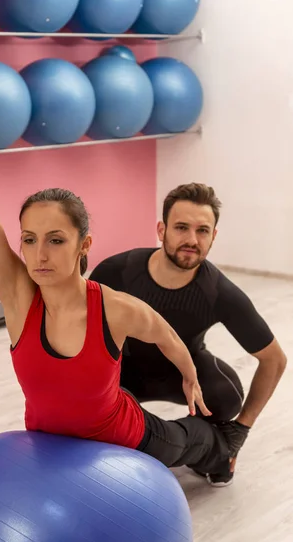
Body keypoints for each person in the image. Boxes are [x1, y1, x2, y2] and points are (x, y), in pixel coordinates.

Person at [0, 28, 245, 485]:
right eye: (29, 239)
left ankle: (218, 451)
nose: (39, 254)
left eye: (56, 239)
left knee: (186, 443)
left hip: (124, 435)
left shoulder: (114, 308)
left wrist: (189, 376)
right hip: (53, 444)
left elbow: (163, 331)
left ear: (84, 245)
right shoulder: (19, 297)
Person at [90, 182, 287, 485]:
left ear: (213, 236)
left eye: (202, 231)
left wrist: (241, 429)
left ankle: (209, 448)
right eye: (181, 227)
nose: (191, 240)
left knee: (226, 397)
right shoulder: (116, 273)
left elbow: (274, 359)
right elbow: (82, 339)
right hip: (122, 373)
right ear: (161, 229)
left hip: (184, 374)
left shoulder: (218, 292)